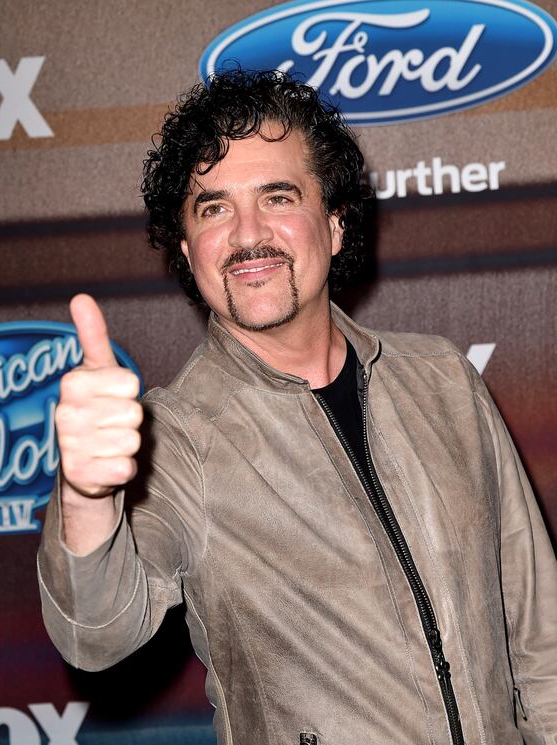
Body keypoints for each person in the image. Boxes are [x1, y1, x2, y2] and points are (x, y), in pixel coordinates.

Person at [38, 70, 557, 745]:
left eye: (278, 196)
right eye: (214, 207)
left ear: (335, 225)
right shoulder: (177, 439)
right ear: (189, 249)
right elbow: (94, 632)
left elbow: (541, 635)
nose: (248, 235)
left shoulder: (444, 379)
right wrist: (85, 494)